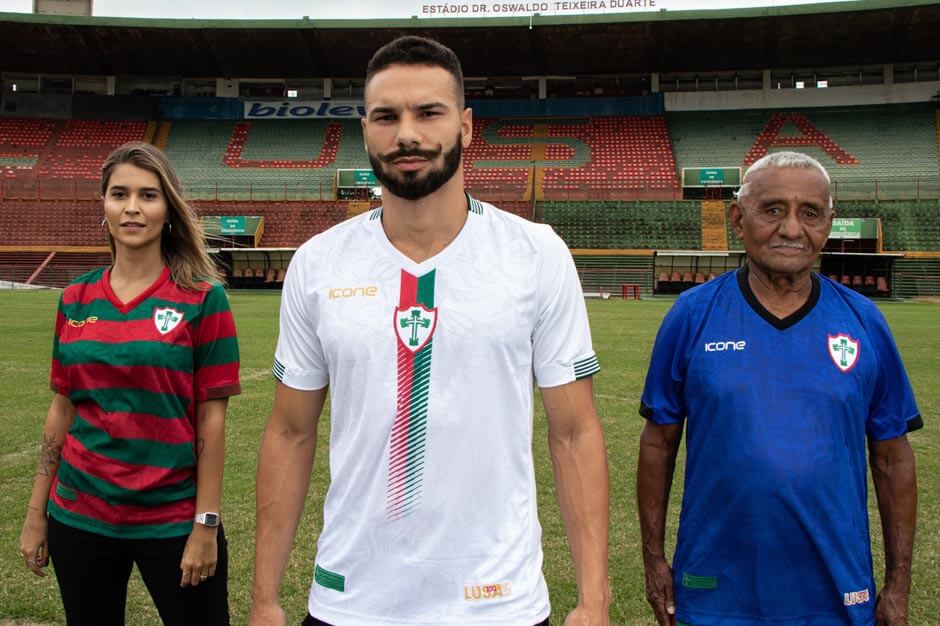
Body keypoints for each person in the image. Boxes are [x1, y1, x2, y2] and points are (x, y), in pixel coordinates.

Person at [250, 36, 610, 626]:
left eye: (428, 113)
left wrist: (594, 600)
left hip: (497, 602)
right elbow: (290, 433)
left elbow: (574, 433)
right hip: (351, 601)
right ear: (365, 130)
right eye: (386, 116)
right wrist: (264, 599)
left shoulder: (534, 253)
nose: (407, 134)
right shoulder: (318, 263)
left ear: (465, 125)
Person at [637, 151, 920, 626]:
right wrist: (653, 560)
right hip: (714, 590)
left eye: (810, 213)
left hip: (837, 592)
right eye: (772, 209)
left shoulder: (864, 321)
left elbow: (893, 459)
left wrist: (897, 585)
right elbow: (658, 446)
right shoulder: (691, 315)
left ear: (827, 224)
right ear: (738, 219)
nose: (791, 228)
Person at [19, 142, 240, 625]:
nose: (133, 207)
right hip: (80, 516)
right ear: (104, 204)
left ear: (169, 209)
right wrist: (37, 513)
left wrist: (205, 524)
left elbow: (212, 419)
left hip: (172, 519)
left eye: (148, 195)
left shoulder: (203, 299)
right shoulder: (75, 299)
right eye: (120, 194)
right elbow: (62, 409)